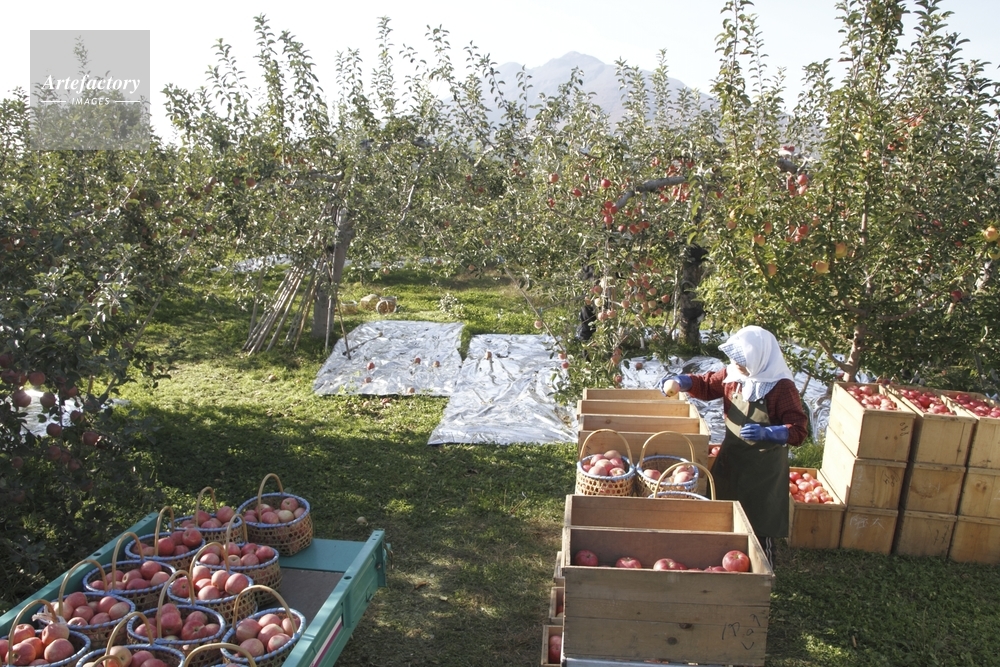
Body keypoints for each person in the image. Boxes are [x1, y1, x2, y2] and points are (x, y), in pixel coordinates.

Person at [659, 325, 808, 566]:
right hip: (732, 458)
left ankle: (763, 570)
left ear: (759, 357)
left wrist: (770, 432)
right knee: (723, 512)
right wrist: (682, 381)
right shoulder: (734, 376)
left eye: (742, 359)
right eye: (735, 358)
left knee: (759, 521)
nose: (736, 364)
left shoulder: (780, 387)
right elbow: (707, 384)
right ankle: (723, 563)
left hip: (763, 469)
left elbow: (799, 430)